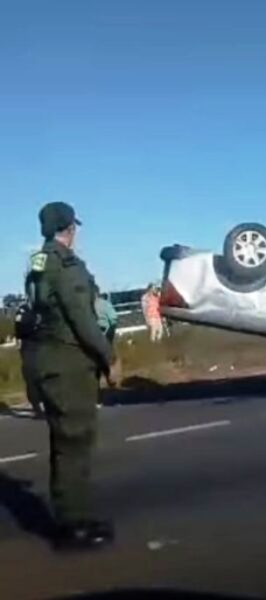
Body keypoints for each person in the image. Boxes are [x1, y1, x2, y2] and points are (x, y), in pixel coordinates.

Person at [22, 201, 119, 551]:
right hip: (68, 365)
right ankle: (73, 526)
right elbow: (82, 319)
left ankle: (71, 516)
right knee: (75, 445)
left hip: (44, 363)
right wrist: (109, 358)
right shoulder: (66, 266)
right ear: (69, 228)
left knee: (63, 444)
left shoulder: (38, 263)